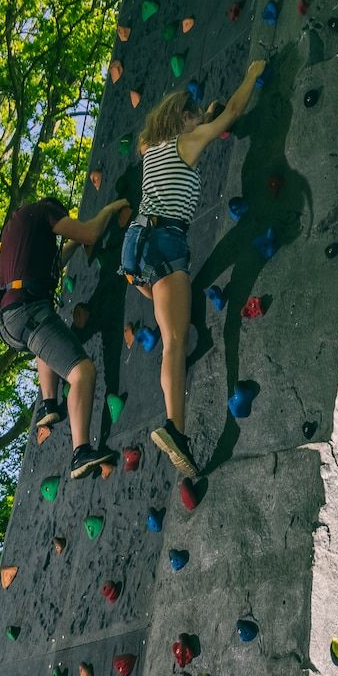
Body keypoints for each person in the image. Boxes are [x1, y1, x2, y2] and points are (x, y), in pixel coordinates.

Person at [126, 57, 268, 479]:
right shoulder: (185, 144)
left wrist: (203, 118)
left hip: (137, 249)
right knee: (173, 341)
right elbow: (233, 113)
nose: (198, 119)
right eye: (193, 115)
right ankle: (175, 427)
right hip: (167, 241)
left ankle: (176, 424)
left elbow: (205, 124)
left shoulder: (152, 150)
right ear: (181, 120)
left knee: (174, 336)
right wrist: (251, 75)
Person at [0, 189, 129, 479]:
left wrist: (73, 243)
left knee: (46, 338)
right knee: (82, 372)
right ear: (55, 213)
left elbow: (55, 263)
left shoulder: (18, 231)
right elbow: (90, 234)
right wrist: (110, 208)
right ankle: (81, 450)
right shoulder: (45, 212)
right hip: (28, 311)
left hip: (9, 322)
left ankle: (50, 403)